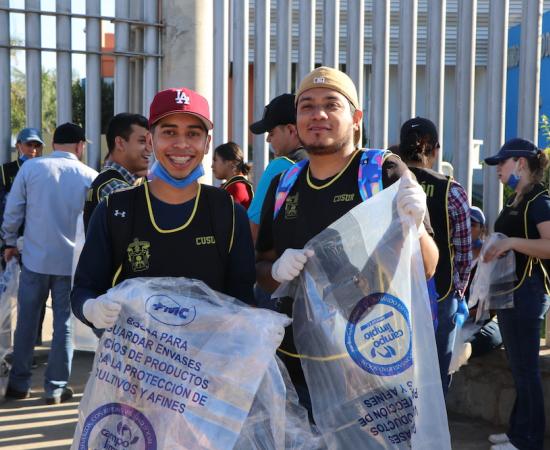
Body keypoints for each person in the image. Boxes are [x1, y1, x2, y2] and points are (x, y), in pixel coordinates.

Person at [255, 66, 439, 413]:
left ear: (356, 117)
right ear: (296, 119)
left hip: (370, 366)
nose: (318, 114)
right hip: (296, 368)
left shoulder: (381, 172)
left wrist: (415, 227)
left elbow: (428, 267)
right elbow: (261, 266)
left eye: (331, 104)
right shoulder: (284, 184)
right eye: (307, 105)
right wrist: (276, 271)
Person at [71, 87, 256, 335]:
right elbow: (84, 288)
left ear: (207, 143)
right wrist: (92, 309)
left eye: (193, 133)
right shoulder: (115, 209)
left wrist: (258, 331)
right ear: (150, 140)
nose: (181, 144)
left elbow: (242, 301)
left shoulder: (229, 214)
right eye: (169, 132)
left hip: (208, 367)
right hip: (131, 366)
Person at [2, 122, 98, 404]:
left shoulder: (31, 169)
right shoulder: (90, 176)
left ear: (53, 144)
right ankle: (55, 388)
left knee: (27, 323)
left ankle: (19, 385)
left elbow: (13, 210)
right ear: (80, 146)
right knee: (63, 326)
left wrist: (9, 241)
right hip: (71, 264)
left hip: (34, 258)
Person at [482, 138, 550, 450]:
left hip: (528, 292)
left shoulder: (538, 199)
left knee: (526, 370)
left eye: (502, 163)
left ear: (520, 163)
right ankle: (517, 432)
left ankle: (529, 440)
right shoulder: (517, 198)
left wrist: (509, 244)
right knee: (519, 368)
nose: (497, 169)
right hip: (511, 292)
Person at [397, 116, 472, 395]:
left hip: (395, 295)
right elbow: (463, 250)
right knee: (436, 379)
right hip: (440, 294)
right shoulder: (451, 190)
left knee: (397, 377)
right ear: (435, 149)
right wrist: (459, 290)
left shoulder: (388, 185)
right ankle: (434, 436)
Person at [248, 93, 307, 241]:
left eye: (271, 132)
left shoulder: (280, 165)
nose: (268, 139)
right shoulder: (322, 162)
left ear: (291, 130)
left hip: (280, 259)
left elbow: (253, 228)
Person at [83, 113, 150, 233]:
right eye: (142, 141)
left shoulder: (109, 181)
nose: (149, 148)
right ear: (120, 143)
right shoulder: (116, 187)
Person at [464, 206, 503, 358]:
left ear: (482, 229)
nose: (467, 228)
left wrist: (471, 313)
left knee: (489, 338)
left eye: (472, 225)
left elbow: (494, 304)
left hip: (484, 320)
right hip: (456, 319)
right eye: (464, 223)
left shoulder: (490, 258)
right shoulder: (452, 255)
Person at [212, 141, 254, 209]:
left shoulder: (236, 187)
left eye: (215, 160)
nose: (212, 166)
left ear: (230, 163)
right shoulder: (233, 185)